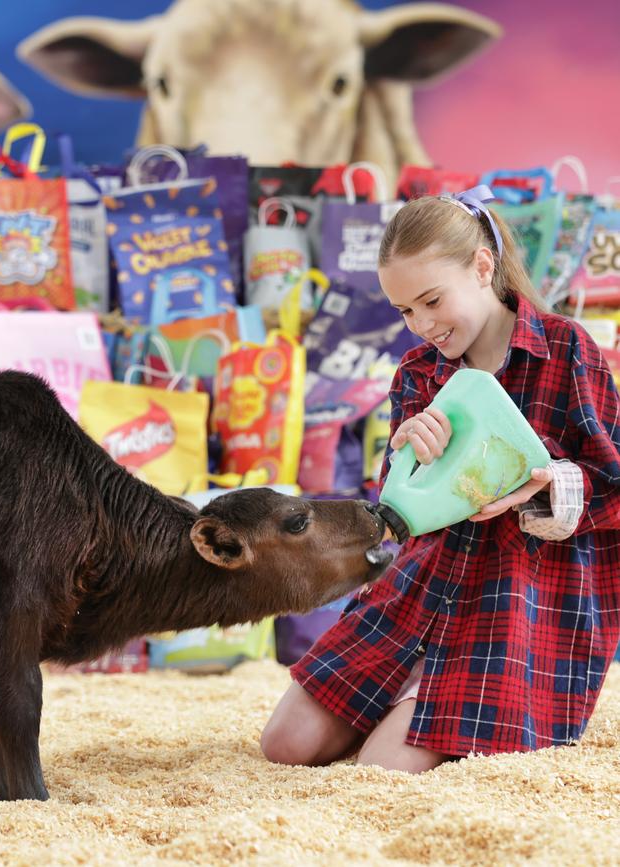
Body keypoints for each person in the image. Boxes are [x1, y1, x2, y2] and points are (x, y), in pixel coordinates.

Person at [261, 185, 620, 773]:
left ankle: (416, 712)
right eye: (405, 311)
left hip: (519, 604)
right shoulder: (417, 372)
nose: (421, 325)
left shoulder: (566, 349)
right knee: (284, 746)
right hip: (426, 584)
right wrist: (407, 456)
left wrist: (543, 485)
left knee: (379, 770)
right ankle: (404, 701)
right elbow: (398, 508)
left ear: (483, 268)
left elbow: (612, 482)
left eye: (431, 300)